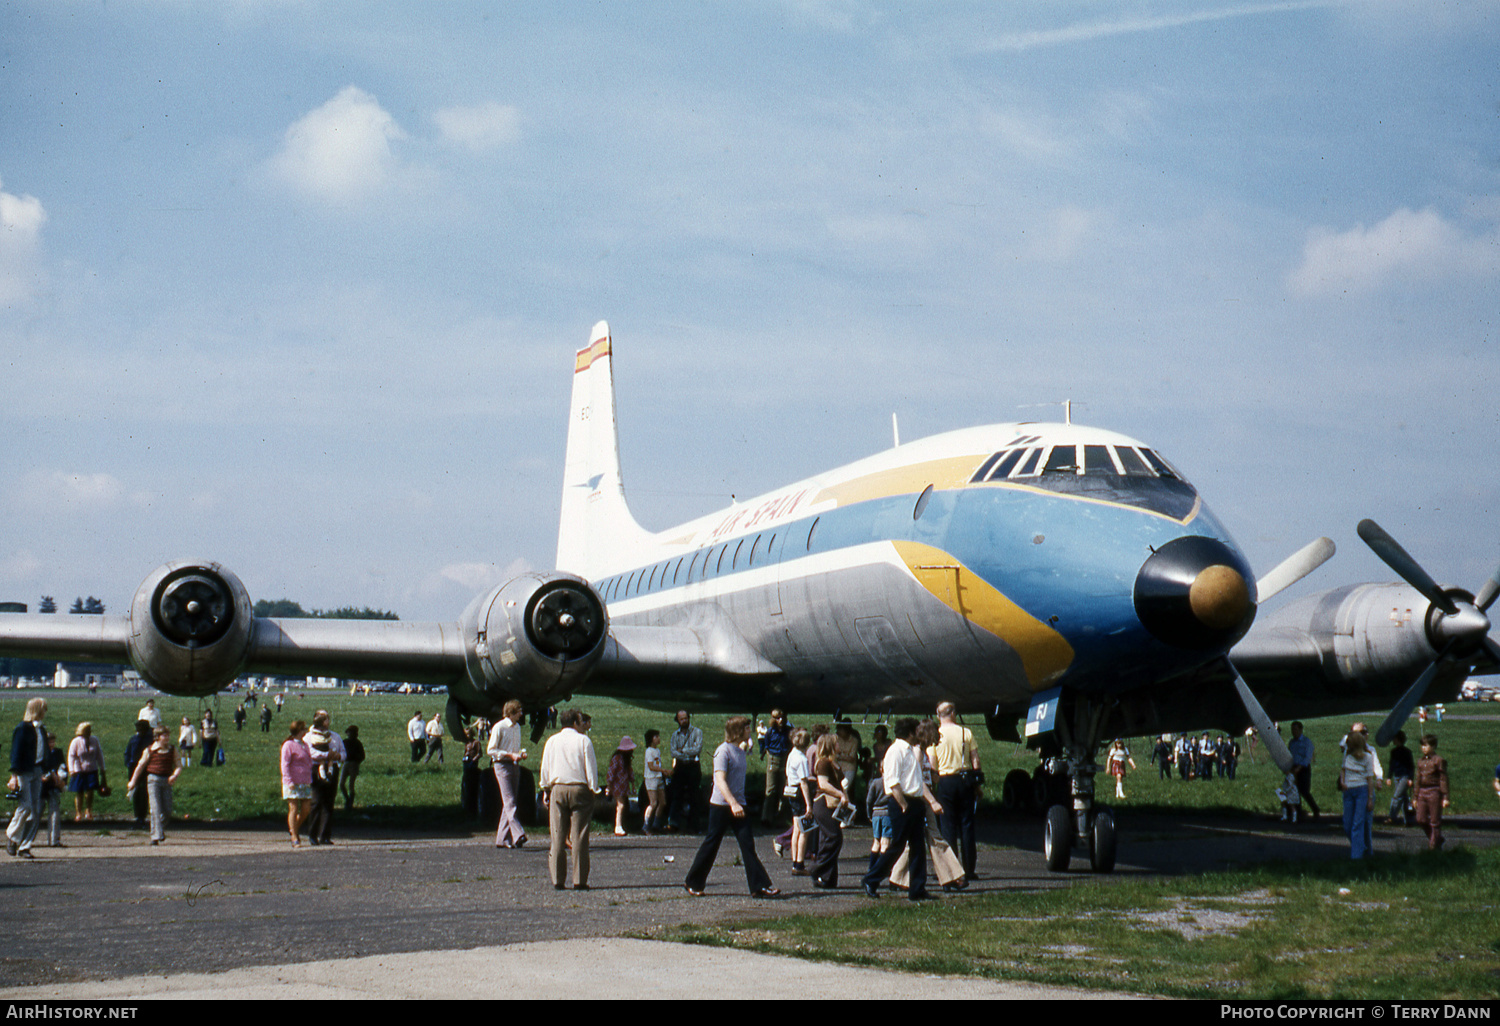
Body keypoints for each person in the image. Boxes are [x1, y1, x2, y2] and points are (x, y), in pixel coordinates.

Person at [683, 716, 779, 898]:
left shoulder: (740, 750)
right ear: (737, 732)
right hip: (721, 806)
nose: (749, 731)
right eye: (746, 728)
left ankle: (760, 886)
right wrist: (733, 803)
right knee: (712, 843)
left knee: (747, 845)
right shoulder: (722, 751)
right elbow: (719, 780)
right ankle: (693, 882)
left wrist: (738, 804)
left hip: (739, 805)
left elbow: (749, 744)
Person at [862, 718, 941, 901]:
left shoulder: (910, 751)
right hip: (902, 803)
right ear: (910, 732)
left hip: (915, 802)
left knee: (918, 847)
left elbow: (914, 780)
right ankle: (871, 879)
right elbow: (893, 781)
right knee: (896, 846)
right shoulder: (896, 751)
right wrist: (903, 804)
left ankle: (917, 888)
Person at [539, 708, 598, 890]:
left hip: (557, 788)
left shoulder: (552, 741)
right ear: (575, 723)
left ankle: (558, 879)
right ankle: (579, 880)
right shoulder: (583, 740)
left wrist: (545, 788)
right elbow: (590, 767)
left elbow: (545, 767)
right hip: (579, 788)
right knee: (579, 834)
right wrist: (593, 788)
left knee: (557, 834)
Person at [933, 702, 981, 882]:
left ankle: (953, 870)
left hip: (945, 780)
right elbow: (975, 759)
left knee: (948, 826)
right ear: (953, 713)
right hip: (964, 779)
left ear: (938, 715)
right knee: (967, 825)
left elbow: (932, 764)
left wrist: (938, 782)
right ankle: (970, 869)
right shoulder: (965, 732)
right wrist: (976, 784)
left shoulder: (936, 734)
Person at [7, 698, 48, 859]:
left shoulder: (41, 729)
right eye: (43, 709)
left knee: (36, 810)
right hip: (24, 771)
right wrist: (14, 776)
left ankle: (25, 845)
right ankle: (12, 836)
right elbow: (15, 753)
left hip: (37, 770)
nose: (45, 712)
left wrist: (47, 769)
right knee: (26, 806)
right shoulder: (22, 728)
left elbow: (44, 751)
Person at [128, 725, 180, 846]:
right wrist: (133, 781)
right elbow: (140, 766)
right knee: (155, 808)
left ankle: (158, 829)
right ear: (157, 737)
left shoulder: (172, 750)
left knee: (167, 811)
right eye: (164, 736)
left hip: (166, 781)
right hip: (153, 780)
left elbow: (178, 765)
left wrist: (174, 775)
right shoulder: (150, 750)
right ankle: (156, 836)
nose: (167, 738)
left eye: (167, 735)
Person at [810, 733, 850, 889]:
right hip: (823, 804)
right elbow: (823, 784)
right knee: (834, 837)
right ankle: (815, 869)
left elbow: (841, 783)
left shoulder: (834, 763)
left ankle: (828, 878)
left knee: (826, 839)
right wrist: (840, 794)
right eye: (837, 743)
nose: (839, 745)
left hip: (833, 805)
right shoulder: (823, 763)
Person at [487, 700, 528, 849]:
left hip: (514, 765)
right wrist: (509, 755)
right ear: (511, 713)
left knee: (509, 802)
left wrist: (519, 754)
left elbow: (514, 749)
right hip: (501, 765)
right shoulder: (499, 727)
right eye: (519, 711)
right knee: (510, 800)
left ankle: (502, 839)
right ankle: (518, 834)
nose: (521, 714)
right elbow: (490, 750)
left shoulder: (517, 727)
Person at [304, 710, 344, 845]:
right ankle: (312, 834)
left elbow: (343, 752)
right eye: (326, 719)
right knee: (316, 802)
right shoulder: (309, 737)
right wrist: (327, 755)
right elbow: (310, 752)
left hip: (332, 769)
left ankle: (325, 835)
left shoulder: (335, 736)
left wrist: (338, 756)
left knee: (329, 803)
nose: (328, 722)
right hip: (316, 769)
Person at [1339, 728, 1377, 859]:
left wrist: (1370, 798)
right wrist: (1342, 782)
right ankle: (1360, 845)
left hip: (1362, 790)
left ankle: (1356, 857)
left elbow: (1370, 779)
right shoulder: (1347, 755)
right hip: (1348, 791)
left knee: (1358, 823)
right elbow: (1343, 770)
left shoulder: (1367, 757)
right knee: (1347, 823)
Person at [666, 710, 703, 832]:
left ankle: (694, 825)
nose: (684, 721)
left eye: (685, 718)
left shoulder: (697, 732)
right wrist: (686, 751)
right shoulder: (674, 735)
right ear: (678, 721)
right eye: (681, 719)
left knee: (694, 795)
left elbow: (697, 750)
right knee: (676, 794)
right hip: (681, 766)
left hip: (693, 765)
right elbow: (673, 752)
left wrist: (682, 751)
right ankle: (673, 823)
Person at [1413, 734, 1450, 851]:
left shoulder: (1439, 761)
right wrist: (1415, 797)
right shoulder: (1420, 761)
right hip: (1422, 792)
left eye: (1426, 745)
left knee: (1435, 820)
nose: (1423, 748)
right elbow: (1417, 780)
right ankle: (1436, 838)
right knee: (1420, 818)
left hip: (1434, 791)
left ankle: (1433, 847)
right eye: (1422, 745)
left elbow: (1443, 779)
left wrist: (1445, 797)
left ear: (1433, 746)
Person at [280, 720, 313, 848]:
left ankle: (294, 828)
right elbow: (285, 764)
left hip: (305, 780)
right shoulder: (288, 745)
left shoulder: (305, 745)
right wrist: (288, 780)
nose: (305, 731)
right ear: (299, 731)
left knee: (306, 808)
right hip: (292, 782)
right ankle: (294, 836)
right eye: (303, 729)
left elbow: (309, 761)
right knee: (293, 808)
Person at [66, 722, 105, 822]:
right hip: (79, 770)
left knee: (90, 791)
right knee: (79, 792)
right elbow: (71, 756)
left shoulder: (94, 740)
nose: (89, 732)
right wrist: (71, 770)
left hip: (92, 769)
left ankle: (88, 810)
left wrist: (102, 768)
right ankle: (78, 812)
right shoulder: (75, 741)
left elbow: (99, 754)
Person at [759, 709, 792, 826]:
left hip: (784, 759)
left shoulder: (788, 731)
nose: (781, 720)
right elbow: (766, 745)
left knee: (784, 790)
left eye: (782, 718)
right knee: (770, 790)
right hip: (773, 760)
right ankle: (766, 817)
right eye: (778, 718)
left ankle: (782, 817)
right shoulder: (770, 732)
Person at [40, 732, 66, 847]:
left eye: (53, 741)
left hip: (54, 785)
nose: (51, 744)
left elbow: (62, 767)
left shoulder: (58, 752)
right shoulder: (40, 753)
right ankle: (26, 839)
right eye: (49, 741)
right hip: (42, 786)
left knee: (54, 813)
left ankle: (54, 840)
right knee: (37, 812)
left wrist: (62, 779)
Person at [124, 720, 152, 828]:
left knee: (144, 791)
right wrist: (128, 763)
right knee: (135, 790)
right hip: (133, 766)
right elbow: (128, 752)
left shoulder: (149, 740)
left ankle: (142, 815)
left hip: (146, 767)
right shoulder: (134, 739)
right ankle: (137, 815)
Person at [1288, 721, 1319, 819]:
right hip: (1294, 767)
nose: (1294, 732)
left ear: (1301, 730)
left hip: (1303, 768)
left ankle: (1315, 809)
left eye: (1296, 730)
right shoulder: (1292, 742)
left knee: (1304, 790)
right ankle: (1298, 813)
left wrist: (1299, 768)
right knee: (1295, 791)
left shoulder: (1306, 742)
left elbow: (1307, 757)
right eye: (1292, 730)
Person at [607, 737, 636, 836]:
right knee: (621, 805)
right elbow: (611, 772)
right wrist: (609, 785)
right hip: (617, 786)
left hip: (623, 785)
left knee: (621, 805)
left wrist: (632, 784)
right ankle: (618, 826)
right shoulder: (618, 758)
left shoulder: (624, 759)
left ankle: (619, 825)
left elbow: (630, 772)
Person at [1386, 731, 1415, 826]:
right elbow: (1392, 765)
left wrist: (1411, 778)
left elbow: (1411, 766)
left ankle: (1392, 817)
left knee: (1396, 797)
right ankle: (1409, 820)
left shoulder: (1407, 752)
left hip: (1405, 776)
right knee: (1404, 798)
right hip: (1396, 776)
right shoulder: (1393, 752)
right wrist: (1389, 777)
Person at [642, 729, 666, 835]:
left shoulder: (657, 751)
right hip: (651, 778)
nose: (659, 739)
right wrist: (663, 770)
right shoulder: (649, 751)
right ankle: (646, 825)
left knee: (663, 802)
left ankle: (656, 823)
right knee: (653, 803)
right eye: (656, 737)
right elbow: (651, 766)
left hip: (658, 777)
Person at [341, 725, 365, 811]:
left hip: (354, 764)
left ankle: (349, 803)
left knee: (351, 785)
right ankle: (347, 799)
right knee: (341, 784)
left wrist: (357, 762)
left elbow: (362, 756)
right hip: (346, 763)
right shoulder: (345, 742)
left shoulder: (357, 743)